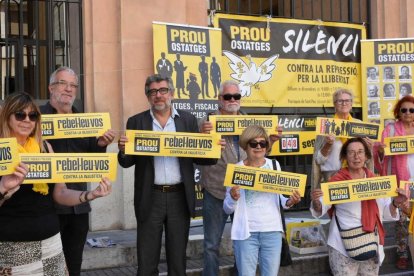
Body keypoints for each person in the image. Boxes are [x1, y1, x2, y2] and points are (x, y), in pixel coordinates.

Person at [0, 92, 112, 275]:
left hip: (51, 245)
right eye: (20, 115)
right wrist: (2, 188)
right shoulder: (2, 151)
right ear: (8, 117)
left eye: (33, 115)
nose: (27, 120)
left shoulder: (45, 147)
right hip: (12, 250)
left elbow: (60, 193)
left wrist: (91, 194)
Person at [117, 74, 217, 276]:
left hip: (179, 197)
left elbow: (202, 159)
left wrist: (213, 146)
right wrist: (123, 150)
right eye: (153, 92)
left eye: (162, 91)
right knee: (146, 261)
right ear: (148, 96)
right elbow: (126, 163)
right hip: (150, 197)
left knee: (178, 259)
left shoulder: (188, 120)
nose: (158, 96)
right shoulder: (136, 121)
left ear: (171, 93)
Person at [199, 80, 282, 276]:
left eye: (236, 96)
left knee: (243, 244)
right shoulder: (207, 122)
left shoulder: (250, 124)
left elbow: (260, 154)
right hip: (216, 189)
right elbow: (197, 153)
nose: (232, 100)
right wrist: (203, 136)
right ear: (220, 99)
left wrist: (273, 142)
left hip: (244, 192)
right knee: (211, 245)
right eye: (228, 96)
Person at [39, 66, 116, 276]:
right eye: (63, 83)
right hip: (47, 207)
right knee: (47, 268)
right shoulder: (36, 119)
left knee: (73, 266)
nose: (69, 89)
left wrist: (101, 144)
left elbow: (95, 163)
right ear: (50, 88)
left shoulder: (87, 122)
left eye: (73, 85)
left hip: (79, 209)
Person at [311, 137, 407, 275]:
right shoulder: (337, 181)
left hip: (371, 244)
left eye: (360, 152)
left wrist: (396, 202)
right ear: (344, 156)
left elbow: (387, 212)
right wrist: (316, 202)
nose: (356, 157)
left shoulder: (376, 182)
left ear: (367, 156)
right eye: (351, 152)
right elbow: (321, 207)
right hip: (342, 246)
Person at [223, 125, 301, 276]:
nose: (258, 147)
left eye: (263, 143)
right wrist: (233, 198)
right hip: (246, 234)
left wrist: (291, 201)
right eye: (254, 143)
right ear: (246, 145)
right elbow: (227, 208)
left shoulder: (274, 165)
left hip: (272, 231)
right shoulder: (235, 170)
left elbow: (282, 201)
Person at [373, 95, 414, 270]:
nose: (407, 113)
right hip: (401, 182)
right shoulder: (390, 130)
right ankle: (402, 254)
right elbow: (378, 157)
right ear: (398, 112)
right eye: (403, 110)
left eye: (411, 110)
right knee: (402, 221)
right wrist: (381, 151)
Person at [311, 88, 372, 190]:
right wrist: (327, 144)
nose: (344, 103)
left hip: (356, 178)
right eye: (340, 101)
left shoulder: (359, 125)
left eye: (347, 100)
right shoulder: (326, 125)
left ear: (351, 104)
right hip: (332, 178)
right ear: (335, 104)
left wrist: (369, 148)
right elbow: (318, 160)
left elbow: (367, 158)